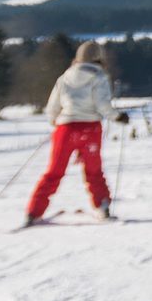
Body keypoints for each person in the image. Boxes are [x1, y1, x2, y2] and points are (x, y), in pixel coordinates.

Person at [26, 41, 121, 225]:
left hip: (65, 129)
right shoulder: (100, 77)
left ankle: (33, 211)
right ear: (99, 58)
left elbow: (53, 107)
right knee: (94, 171)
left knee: (54, 172)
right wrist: (117, 117)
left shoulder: (65, 77)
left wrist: (55, 121)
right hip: (90, 128)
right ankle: (102, 207)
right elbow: (103, 105)